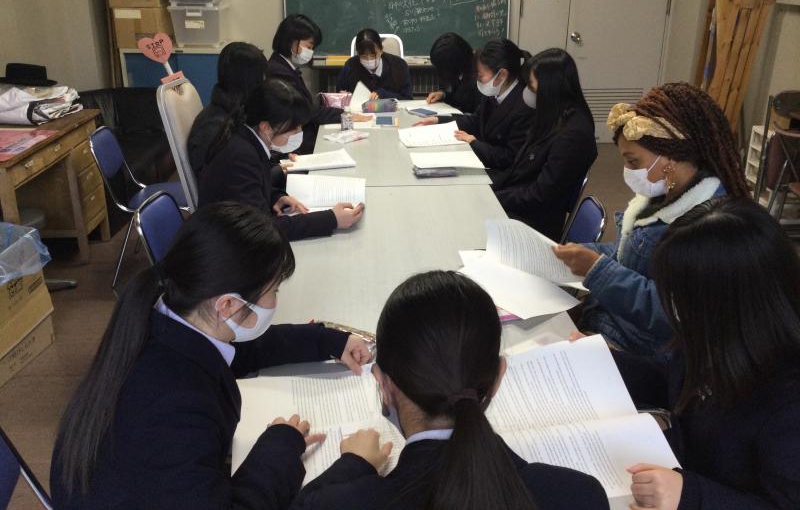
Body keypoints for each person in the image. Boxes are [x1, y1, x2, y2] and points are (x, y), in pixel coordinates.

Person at [51, 202, 373, 509]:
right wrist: (284, 448)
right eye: (274, 290)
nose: (276, 299)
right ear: (228, 305)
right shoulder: (175, 407)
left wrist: (330, 340)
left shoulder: (169, 316)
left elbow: (244, 350)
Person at [293, 271, 609, 510]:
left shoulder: (335, 503)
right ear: (498, 377)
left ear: (383, 384)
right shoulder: (579, 495)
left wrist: (353, 463)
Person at [611, 197, 800, 510]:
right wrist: (608, 363)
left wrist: (689, 495)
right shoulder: (715, 337)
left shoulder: (788, 404)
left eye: (678, 297)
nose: (671, 308)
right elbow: (677, 380)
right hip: (676, 471)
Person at [553, 82, 749, 355]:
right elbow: (631, 255)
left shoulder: (709, 230)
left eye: (633, 162)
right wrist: (583, 253)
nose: (626, 170)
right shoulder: (662, 195)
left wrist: (597, 269)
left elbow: (670, 315)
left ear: (671, 156)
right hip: (609, 321)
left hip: (640, 349)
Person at [198, 79, 364, 241]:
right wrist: (331, 219)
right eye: (294, 128)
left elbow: (248, 190)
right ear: (266, 127)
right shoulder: (241, 156)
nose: (299, 132)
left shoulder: (246, 137)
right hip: (226, 243)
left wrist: (275, 196)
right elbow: (261, 229)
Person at [491, 48, 597, 240]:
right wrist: (491, 190)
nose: (527, 92)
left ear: (550, 87)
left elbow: (541, 195)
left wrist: (495, 198)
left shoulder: (574, 134)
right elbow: (520, 168)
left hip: (534, 221)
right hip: (521, 202)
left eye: (531, 87)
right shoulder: (555, 114)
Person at [414, 38, 532, 169]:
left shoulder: (523, 105)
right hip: (485, 160)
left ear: (502, 75)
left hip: (499, 172)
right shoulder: (495, 91)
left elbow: (509, 158)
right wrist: (438, 120)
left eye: (480, 76)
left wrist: (474, 142)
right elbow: (476, 120)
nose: (477, 80)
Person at [267, 14, 368, 154]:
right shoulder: (279, 72)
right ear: (292, 41)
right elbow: (305, 111)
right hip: (294, 144)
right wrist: (345, 115)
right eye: (309, 46)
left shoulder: (287, 68)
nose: (311, 52)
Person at [187, 42, 268, 179]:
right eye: (262, 76)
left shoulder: (233, 110)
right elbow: (234, 178)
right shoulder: (216, 127)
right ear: (250, 80)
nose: (265, 81)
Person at [336, 28, 413, 100]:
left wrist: (385, 95)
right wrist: (343, 96)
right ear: (358, 53)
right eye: (364, 56)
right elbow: (339, 95)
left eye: (373, 55)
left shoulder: (399, 66)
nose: (369, 59)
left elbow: (408, 99)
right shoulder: (350, 66)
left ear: (381, 49)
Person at [425, 32, 479, 113]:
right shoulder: (461, 71)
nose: (442, 72)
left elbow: (470, 107)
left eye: (443, 68)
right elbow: (458, 99)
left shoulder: (477, 75)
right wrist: (443, 95)